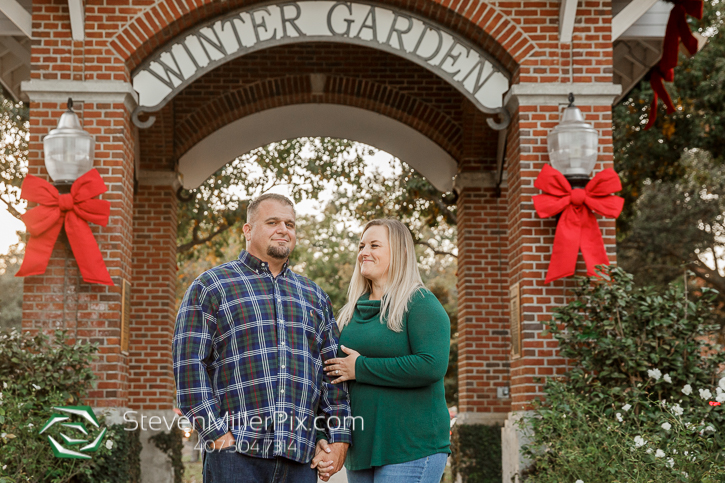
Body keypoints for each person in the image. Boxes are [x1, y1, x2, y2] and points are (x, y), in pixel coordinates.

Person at [172, 193, 352, 483]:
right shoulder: (212, 286)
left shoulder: (315, 297)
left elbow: (333, 374)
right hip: (236, 455)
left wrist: (339, 439)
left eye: (290, 224)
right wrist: (217, 435)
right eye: (272, 222)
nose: (284, 229)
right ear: (248, 230)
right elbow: (189, 366)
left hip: (299, 458)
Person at [312, 218, 451, 482]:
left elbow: (431, 365)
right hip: (363, 450)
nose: (364, 252)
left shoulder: (420, 303)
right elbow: (332, 378)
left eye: (375, 245)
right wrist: (324, 433)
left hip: (411, 447)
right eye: (362, 245)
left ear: (400, 252)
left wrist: (360, 368)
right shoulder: (350, 313)